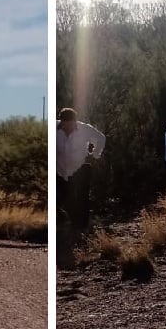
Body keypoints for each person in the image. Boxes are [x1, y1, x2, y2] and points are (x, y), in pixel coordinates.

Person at [55, 108, 106, 269]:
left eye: (71, 125)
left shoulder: (84, 129)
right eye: (65, 125)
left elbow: (100, 138)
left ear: (75, 122)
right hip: (59, 170)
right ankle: (64, 226)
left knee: (82, 197)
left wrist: (96, 154)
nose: (68, 128)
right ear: (61, 121)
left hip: (79, 168)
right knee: (61, 198)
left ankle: (81, 228)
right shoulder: (52, 128)